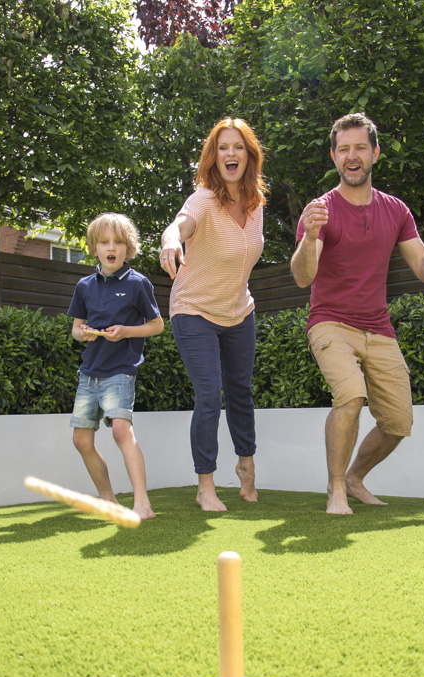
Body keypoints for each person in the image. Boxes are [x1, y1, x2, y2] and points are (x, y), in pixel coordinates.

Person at [291, 113, 424, 514]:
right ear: (334, 156)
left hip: (379, 328)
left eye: (359, 148)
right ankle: (336, 489)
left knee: (398, 422)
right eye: (343, 149)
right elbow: (304, 277)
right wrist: (311, 236)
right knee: (351, 396)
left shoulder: (396, 210)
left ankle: (354, 478)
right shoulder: (321, 210)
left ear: (374, 153)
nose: (351, 156)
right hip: (330, 322)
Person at [158, 118, 267, 511]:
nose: (231, 153)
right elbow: (178, 226)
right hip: (194, 310)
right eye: (223, 147)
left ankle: (247, 466)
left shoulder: (256, 205)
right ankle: (205, 484)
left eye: (238, 146)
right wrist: (170, 243)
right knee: (209, 395)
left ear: (249, 155)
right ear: (213, 156)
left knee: (241, 392)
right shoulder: (203, 199)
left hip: (240, 311)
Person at [67, 212, 164, 521]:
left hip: (120, 370)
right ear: (94, 248)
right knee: (81, 440)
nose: (112, 248)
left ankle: (143, 503)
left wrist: (126, 331)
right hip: (89, 373)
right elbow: (75, 328)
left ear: (128, 248)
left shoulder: (138, 284)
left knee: (121, 431)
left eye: (118, 242)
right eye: (104, 242)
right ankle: (108, 499)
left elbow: (157, 325)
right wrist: (83, 334)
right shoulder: (84, 286)